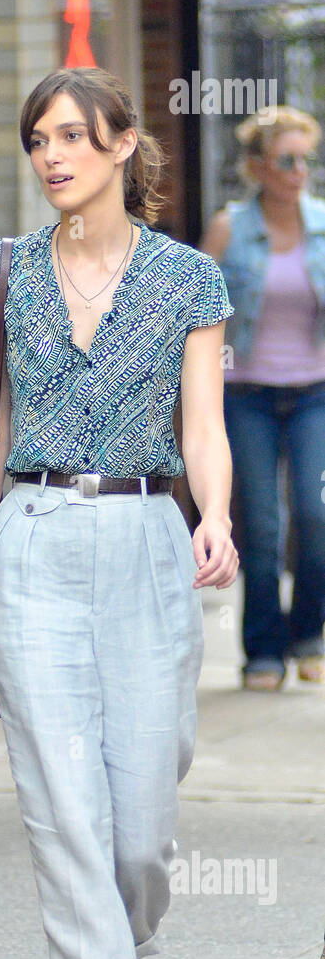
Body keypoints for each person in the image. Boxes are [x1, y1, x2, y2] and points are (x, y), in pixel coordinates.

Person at [0, 67, 238, 959]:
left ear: (123, 144)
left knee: (140, 819)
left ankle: (109, 955)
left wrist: (213, 512)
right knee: (64, 803)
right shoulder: (6, 272)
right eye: (37, 139)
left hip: (144, 534)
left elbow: (202, 423)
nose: (52, 156)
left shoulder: (188, 280)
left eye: (73, 135)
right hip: (32, 533)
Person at [201, 106, 325, 690]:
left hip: (314, 395)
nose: (299, 170)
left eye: (306, 158)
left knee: (315, 513)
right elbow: (195, 309)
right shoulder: (229, 229)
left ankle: (309, 636)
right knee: (262, 524)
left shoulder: (323, 223)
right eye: (286, 160)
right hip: (246, 394)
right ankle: (264, 652)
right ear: (258, 167)